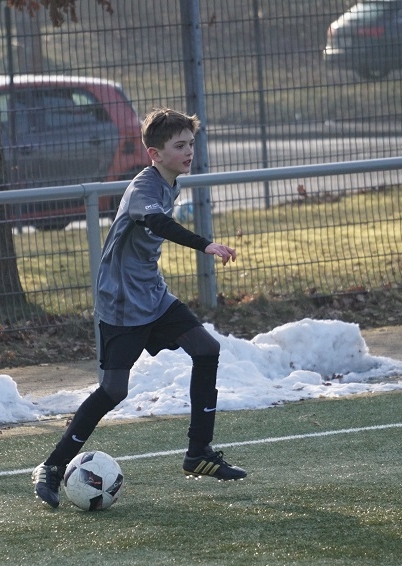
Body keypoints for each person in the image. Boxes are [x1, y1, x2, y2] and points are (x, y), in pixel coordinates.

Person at [32, 107, 247, 508]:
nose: (189, 152)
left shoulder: (169, 182)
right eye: (179, 146)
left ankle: (198, 453)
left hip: (152, 294)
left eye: (191, 144)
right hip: (121, 302)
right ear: (155, 154)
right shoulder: (144, 188)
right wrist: (205, 244)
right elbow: (157, 224)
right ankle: (53, 466)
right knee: (114, 390)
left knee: (206, 349)